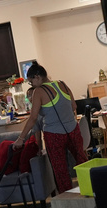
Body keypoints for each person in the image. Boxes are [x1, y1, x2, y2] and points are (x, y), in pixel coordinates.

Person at [13, 62, 87, 193]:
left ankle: (67, 199)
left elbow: (33, 118)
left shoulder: (39, 91)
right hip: (73, 130)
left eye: (31, 82)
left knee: (61, 170)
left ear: (37, 77)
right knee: (82, 162)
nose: (32, 85)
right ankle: (89, 190)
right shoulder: (63, 84)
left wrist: (21, 138)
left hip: (54, 135)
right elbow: (73, 107)